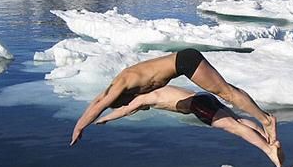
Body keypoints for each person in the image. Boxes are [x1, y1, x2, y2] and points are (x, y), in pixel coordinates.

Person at [70, 48, 277, 146]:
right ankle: (264, 130)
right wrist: (99, 118)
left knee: (226, 92)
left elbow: (101, 104)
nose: (129, 103)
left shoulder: (120, 84)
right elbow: (97, 101)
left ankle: (266, 120)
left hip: (185, 61)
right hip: (184, 64)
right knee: (226, 91)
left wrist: (80, 126)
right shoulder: (120, 89)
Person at [94, 85, 284, 167]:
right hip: (203, 97)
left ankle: (269, 150)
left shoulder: (142, 98)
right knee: (238, 121)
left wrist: (105, 119)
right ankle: (268, 138)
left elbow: (127, 110)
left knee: (233, 127)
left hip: (198, 106)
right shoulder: (151, 90)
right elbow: (131, 110)